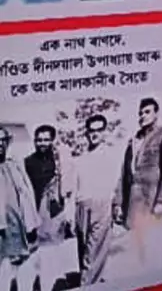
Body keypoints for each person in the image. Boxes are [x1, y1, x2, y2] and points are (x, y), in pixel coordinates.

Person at [24, 124, 75, 291]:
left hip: (55, 212)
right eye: (39, 140)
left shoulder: (59, 161)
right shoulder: (28, 162)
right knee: (40, 251)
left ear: (52, 141)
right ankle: (45, 283)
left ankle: (54, 282)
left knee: (55, 250)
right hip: (36, 210)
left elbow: (67, 187)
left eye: (46, 139)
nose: (42, 143)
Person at [119, 99, 162, 272]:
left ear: (156, 113)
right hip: (133, 196)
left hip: (152, 196)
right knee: (134, 240)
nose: (142, 116)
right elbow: (124, 173)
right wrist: (118, 203)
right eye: (140, 112)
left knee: (151, 240)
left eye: (147, 112)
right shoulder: (134, 139)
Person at [74, 114, 122, 285]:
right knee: (84, 248)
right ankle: (90, 280)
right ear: (87, 133)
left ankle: (87, 284)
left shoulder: (112, 155)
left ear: (104, 132)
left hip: (102, 205)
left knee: (94, 250)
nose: (94, 134)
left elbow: (118, 182)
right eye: (91, 130)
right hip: (81, 205)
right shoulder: (80, 158)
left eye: (98, 130)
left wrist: (117, 205)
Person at [0, 126, 40, 291]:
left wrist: (31, 220)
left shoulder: (14, 164)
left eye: (3, 140)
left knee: (20, 263)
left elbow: (27, 191)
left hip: (17, 223)